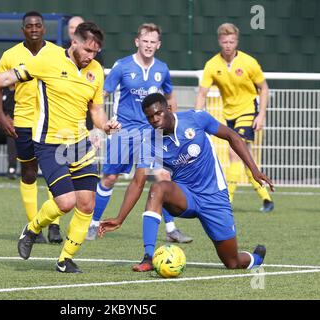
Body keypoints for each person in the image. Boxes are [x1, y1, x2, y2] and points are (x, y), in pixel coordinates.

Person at [0, 22, 121, 273]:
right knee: (65, 203)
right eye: (88, 50)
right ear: (74, 42)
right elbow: (7, 76)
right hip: (50, 144)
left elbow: (95, 110)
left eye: (95, 52)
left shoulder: (96, 71)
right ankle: (32, 228)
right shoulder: (48, 58)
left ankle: (64, 259)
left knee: (87, 204)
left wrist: (106, 126)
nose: (91, 57)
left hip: (80, 144)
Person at [99, 93, 274, 271]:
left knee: (232, 262)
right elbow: (138, 182)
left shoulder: (196, 118)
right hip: (185, 196)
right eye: (150, 117)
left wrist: (254, 170)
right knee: (158, 188)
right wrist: (120, 218)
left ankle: (256, 258)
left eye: (158, 113)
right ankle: (148, 257)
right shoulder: (150, 140)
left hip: (214, 196)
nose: (154, 120)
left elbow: (232, 136)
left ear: (168, 108)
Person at [85, 23, 193, 244]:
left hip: (152, 133)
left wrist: (174, 124)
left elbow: (170, 98)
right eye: (145, 41)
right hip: (123, 131)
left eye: (153, 42)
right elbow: (101, 95)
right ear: (137, 42)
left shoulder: (162, 69)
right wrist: (98, 126)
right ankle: (93, 224)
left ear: (159, 45)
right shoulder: (122, 66)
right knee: (110, 177)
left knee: (162, 176)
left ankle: (171, 229)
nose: (149, 45)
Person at [0, 11, 62, 244]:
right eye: (29, 26)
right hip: (23, 122)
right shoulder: (10, 55)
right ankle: (35, 227)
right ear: (23, 30)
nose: (34, 29)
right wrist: (2, 117)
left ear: (44, 29)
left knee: (55, 173)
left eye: (38, 25)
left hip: (52, 122)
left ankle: (54, 225)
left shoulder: (57, 53)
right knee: (29, 172)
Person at [195, 23, 274, 213]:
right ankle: (266, 199)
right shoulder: (212, 65)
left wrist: (261, 114)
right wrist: (196, 118)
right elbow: (202, 93)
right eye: (225, 42)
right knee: (244, 156)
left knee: (234, 154)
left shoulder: (249, 62)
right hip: (229, 114)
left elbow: (264, 88)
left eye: (231, 41)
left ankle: (226, 200)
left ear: (236, 42)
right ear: (219, 42)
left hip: (248, 110)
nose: (228, 45)